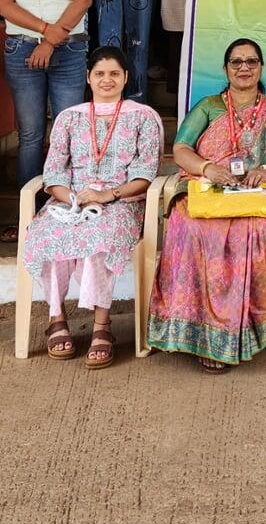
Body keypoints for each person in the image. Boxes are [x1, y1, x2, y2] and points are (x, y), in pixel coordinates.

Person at [147, 38, 266, 370]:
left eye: (251, 62)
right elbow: (181, 148)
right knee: (189, 227)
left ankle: (240, 331)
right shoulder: (209, 106)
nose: (244, 68)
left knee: (252, 234)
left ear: (261, 67)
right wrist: (208, 168)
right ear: (226, 69)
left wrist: (265, 169)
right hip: (208, 188)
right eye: (236, 62)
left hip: (258, 193)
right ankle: (196, 333)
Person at [21, 46, 162, 367]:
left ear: (126, 77)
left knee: (99, 236)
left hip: (121, 201)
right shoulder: (69, 118)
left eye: (114, 73)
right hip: (69, 201)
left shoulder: (143, 117)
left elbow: (145, 172)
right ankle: (56, 318)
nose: (107, 80)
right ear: (88, 78)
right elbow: (53, 170)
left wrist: (108, 195)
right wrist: (72, 197)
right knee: (47, 234)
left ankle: (102, 325)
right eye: (99, 74)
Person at [0, 0, 94, 187]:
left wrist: (52, 41)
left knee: (67, 130)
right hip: (23, 50)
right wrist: (44, 33)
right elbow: (4, 3)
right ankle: (30, 210)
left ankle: (65, 203)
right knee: (30, 134)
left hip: (69, 50)